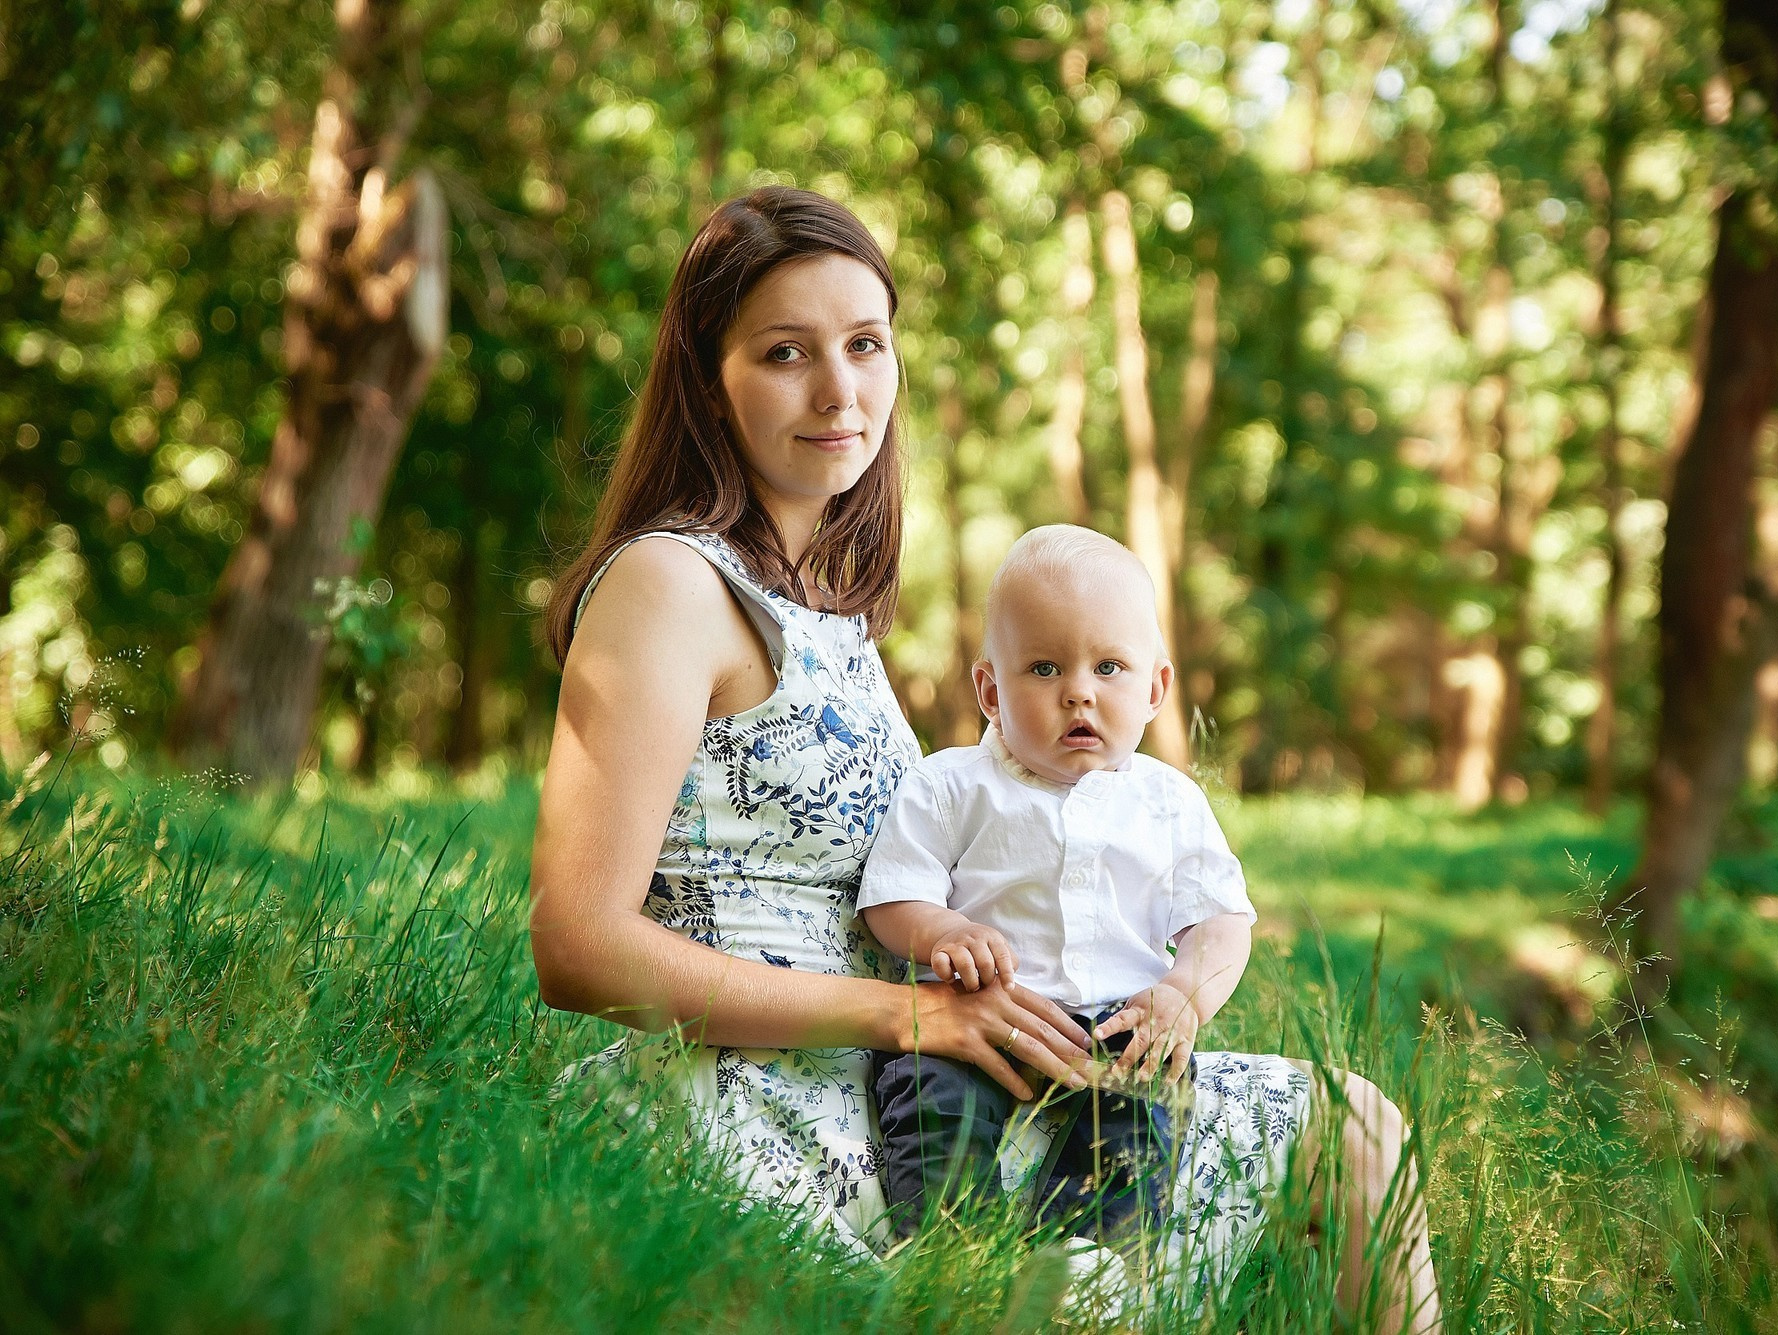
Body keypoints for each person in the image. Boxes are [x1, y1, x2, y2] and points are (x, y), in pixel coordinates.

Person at [527, 184, 1441, 1328]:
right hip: (765, 1094)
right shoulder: (672, 583)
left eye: (865, 344)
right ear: (706, 381)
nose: (838, 390)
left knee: (1356, 1129)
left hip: (927, 1066)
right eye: (783, 353)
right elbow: (575, 944)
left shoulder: (831, 613)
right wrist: (908, 1020)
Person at [861, 525, 1253, 1263]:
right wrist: (943, 930)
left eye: (1108, 666)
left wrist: (1184, 993)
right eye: (1043, 667)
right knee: (932, 1094)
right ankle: (951, 1253)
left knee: (1140, 1113)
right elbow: (892, 897)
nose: (1078, 689)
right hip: (980, 1015)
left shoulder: (1167, 802)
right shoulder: (952, 785)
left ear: (1155, 688)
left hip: (1120, 1022)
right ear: (989, 689)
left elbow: (1222, 923)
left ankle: (1082, 1264)